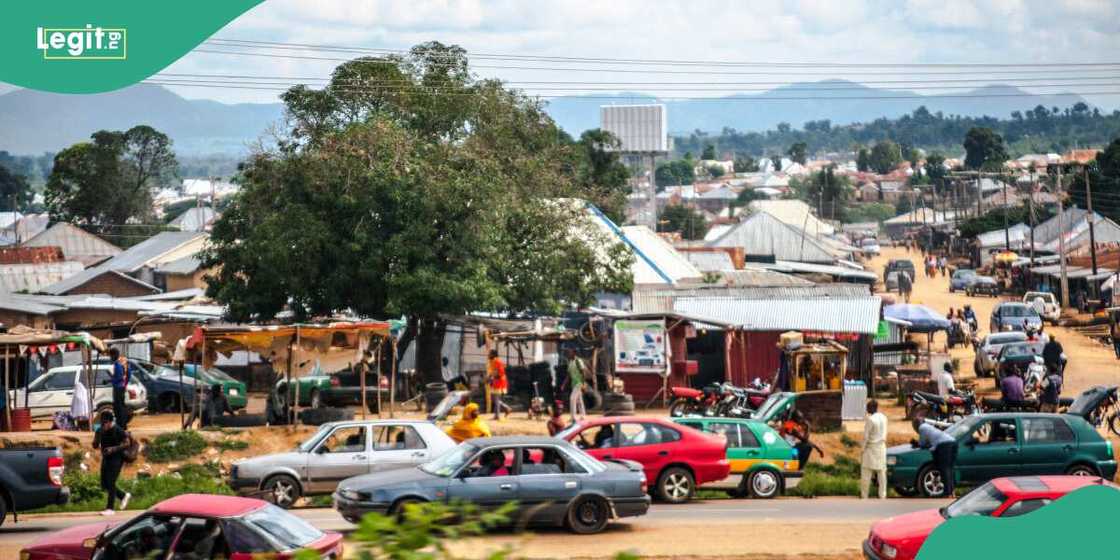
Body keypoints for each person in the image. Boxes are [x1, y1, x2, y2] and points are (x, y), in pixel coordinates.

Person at [92, 410, 131, 516]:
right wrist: (96, 438)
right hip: (106, 458)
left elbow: (127, 443)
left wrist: (114, 449)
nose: (103, 425)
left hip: (117, 458)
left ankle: (110, 508)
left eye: (105, 423)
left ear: (110, 422)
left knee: (111, 481)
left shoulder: (118, 430)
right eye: (102, 423)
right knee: (104, 484)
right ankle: (123, 496)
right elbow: (95, 445)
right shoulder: (100, 430)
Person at [912, 417, 958, 497]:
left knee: (945, 469)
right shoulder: (928, 427)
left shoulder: (922, 428)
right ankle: (952, 492)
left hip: (944, 445)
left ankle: (948, 493)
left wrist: (915, 443)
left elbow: (922, 444)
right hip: (952, 442)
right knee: (950, 469)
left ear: (916, 425)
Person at [860, 400, 888, 500]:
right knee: (882, 473)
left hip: (871, 448)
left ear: (872, 408)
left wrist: (862, 449)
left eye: (867, 407)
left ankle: (864, 495)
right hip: (881, 447)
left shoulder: (870, 420)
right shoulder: (884, 417)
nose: (867, 409)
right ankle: (882, 495)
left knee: (866, 472)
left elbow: (866, 437)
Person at [563, 349, 588, 421]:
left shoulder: (578, 361)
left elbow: (583, 372)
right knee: (579, 400)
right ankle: (583, 416)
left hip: (579, 383)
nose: (568, 354)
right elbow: (568, 375)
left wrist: (583, 383)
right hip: (573, 384)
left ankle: (573, 417)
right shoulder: (570, 362)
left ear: (574, 353)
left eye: (569, 353)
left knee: (572, 399)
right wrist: (564, 384)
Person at [108, 348, 130, 429]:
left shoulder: (118, 365)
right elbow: (127, 375)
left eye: (111, 356)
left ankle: (121, 425)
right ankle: (122, 425)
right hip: (120, 387)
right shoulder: (121, 364)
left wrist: (111, 379)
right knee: (120, 407)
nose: (110, 358)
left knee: (118, 408)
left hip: (118, 388)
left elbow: (119, 378)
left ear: (114, 355)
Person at [486, 350, 511, 420]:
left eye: (489, 354)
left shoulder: (497, 361)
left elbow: (499, 373)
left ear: (493, 355)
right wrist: (489, 378)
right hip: (496, 381)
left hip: (499, 382)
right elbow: (492, 372)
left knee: (496, 398)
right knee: (494, 399)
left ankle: (497, 415)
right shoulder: (492, 362)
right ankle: (506, 408)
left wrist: (490, 378)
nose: (488, 355)